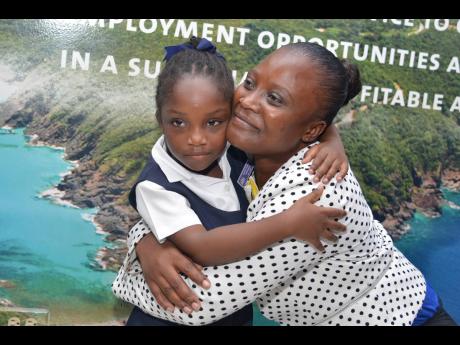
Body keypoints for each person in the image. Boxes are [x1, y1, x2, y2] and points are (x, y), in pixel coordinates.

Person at [115, 40, 457, 326]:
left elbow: (201, 301)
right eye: (249, 83)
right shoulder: (240, 150)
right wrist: (147, 242)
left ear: (311, 130)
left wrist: (128, 278)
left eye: (274, 99)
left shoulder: (314, 201)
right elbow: (173, 205)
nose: (248, 101)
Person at [112, 37, 350, 326]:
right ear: (160, 120)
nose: (197, 139)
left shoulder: (237, 150)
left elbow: (306, 116)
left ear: (228, 114)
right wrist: (288, 223)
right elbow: (203, 247)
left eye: (213, 122)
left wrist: (331, 139)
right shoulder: (156, 185)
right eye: (178, 123)